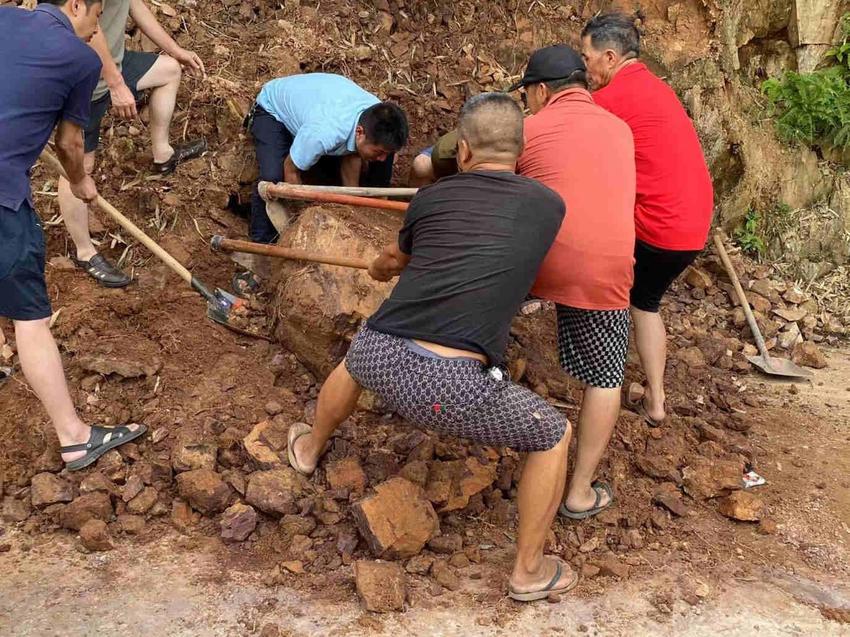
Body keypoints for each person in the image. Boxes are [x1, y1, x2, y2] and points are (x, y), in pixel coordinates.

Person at [285, 93, 577, 602]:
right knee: (554, 436)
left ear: (462, 151)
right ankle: (528, 571)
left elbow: (393, 262)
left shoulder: (428, 200)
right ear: (520, 152)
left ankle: (309, 449)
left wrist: (381, 266)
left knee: (356, 356)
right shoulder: (548, 206)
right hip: (451, 386)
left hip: (379, 356)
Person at [0, 0, 145, 471]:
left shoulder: (4, 17)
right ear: (76, 5)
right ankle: (75, 437)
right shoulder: (80, 60)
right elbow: (69, 143)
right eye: (94, 20)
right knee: (30, 318)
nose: (93, 32)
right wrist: (80, 180)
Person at [513, 45, 636, 520]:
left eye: (527, 95)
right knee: (606, 378)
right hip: (608, 269)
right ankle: (579, 491)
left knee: (485, 321)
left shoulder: (528, 129)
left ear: (541, 91)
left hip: (537, 262)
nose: (527, 104)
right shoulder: (621, 130)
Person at [581, 14, 714, 426]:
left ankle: (601, 382)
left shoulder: (609, 100)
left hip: (658, 225)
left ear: (608, 56)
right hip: (693, 227)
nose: (585, 68)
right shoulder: (659, 90)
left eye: (587, 58)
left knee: (607, 291)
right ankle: (656, 399)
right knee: (646, 302)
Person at [57, 0, 208, 288]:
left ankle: (163, 154)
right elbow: (90, 24)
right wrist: (115, 83)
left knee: (168, 70)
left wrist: (176, 51)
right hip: (86, 79)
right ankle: (84, 252)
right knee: (79, 165)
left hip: (116, 63)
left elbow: (135, 6)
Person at [248, 73, 409, 244]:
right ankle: (262, 241)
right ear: (360, 133)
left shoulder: (378, 116)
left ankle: (378, 212)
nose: (383, 158)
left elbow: (353, 154)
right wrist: (301, 220)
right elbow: (291, 169)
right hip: (273, 111)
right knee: (273, 178)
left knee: (380, 160)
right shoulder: (323, 134)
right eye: (378, 152)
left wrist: (353, 209)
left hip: (321, 104)